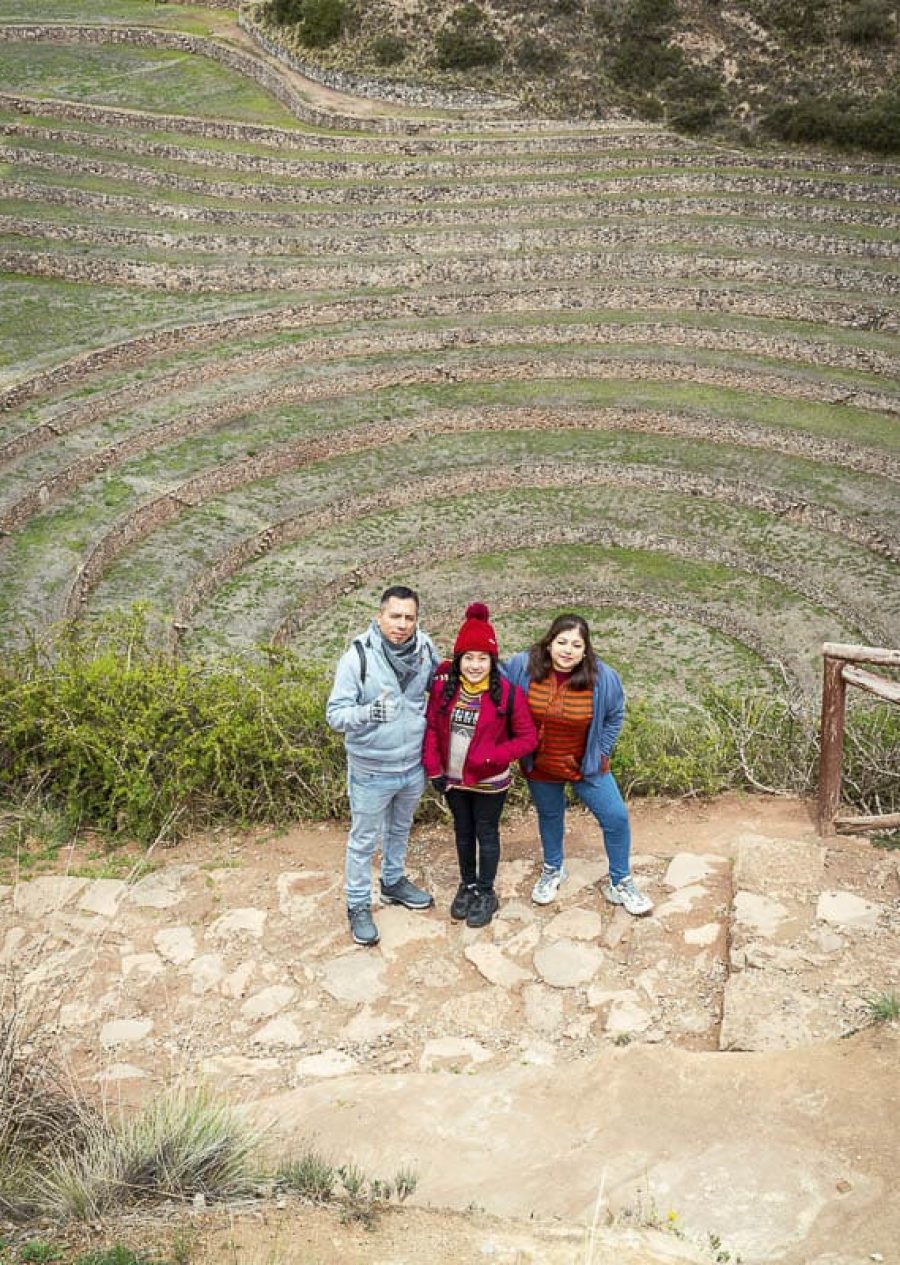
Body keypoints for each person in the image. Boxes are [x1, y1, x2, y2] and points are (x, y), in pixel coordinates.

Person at [503, 614, 653, 917]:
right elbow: (491, 678)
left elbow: (614, 716)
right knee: (550, 815)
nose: (567, 650)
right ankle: (553, 869)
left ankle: (620, 881)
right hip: (540, 762)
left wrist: (601, 753)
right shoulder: (524, 665)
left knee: (615, 817)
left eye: (576, 644)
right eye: (561, 642)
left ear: (586, 650)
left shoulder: (602, 677)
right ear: (549, 643)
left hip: (585, 763)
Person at [326, 585, 439, 946]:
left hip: (411, 764)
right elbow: (335, 714)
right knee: (363, 841)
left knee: (400, 829)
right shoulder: (357, 658)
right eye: (395, 616)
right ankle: (358, 905)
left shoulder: (425, 650)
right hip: (371, 768)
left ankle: (393, 882)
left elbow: (437, 689)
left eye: (409, 617)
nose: (402, 624)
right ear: (380, 617)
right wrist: (369, 713)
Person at [422, 603, 538, 929]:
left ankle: (486, 891)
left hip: (489, 782)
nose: (475, 665)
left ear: (492, 660)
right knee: (462, 832)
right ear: (458, 660)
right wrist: (433, 768)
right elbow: (431, 729)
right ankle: (467, 884)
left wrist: (492, 757)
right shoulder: (445, 690)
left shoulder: (508, 695)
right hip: (453, 780)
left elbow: (528, 738)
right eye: (468, 658)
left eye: (482, 658)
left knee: (486, 834)